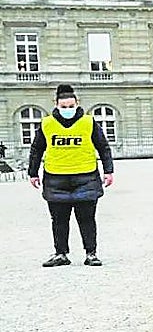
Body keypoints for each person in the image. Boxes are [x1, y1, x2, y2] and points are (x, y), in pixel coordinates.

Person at [27, 83, 114, 267]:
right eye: (64, 106)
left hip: (86, 176)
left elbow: (103, 147)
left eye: (71, 106)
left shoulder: (89, 122)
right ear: (56, 105)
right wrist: (32, 172)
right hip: (56, 178)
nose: (68, 109)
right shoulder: (47, 123)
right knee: (59, 220)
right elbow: (37, 149)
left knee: (87, 219)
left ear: (77, 103)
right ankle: (61, 254)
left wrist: (108, 170)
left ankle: (91, 253)